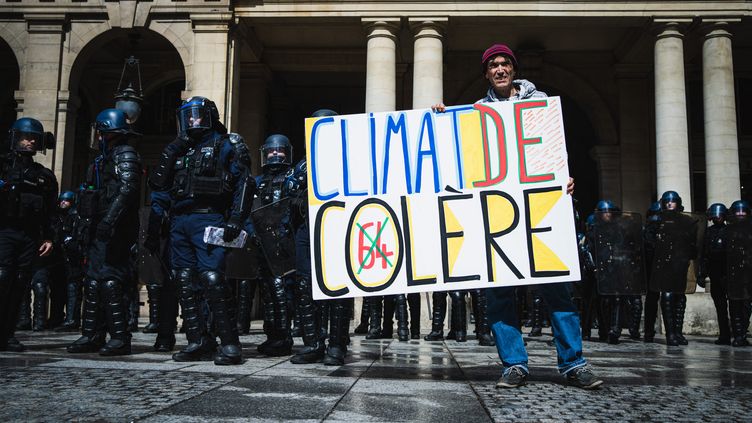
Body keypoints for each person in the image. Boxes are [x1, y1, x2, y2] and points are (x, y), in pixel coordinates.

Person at [432, 43, 600, 389]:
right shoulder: (477, 112)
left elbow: (553, 154)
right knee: (499, 294)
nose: (499, 69)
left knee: (558, 291)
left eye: (504, 63)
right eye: (493, 65)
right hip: (498, 215)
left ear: (514, 70)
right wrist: (441, 119)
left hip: (540, 211)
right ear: (487, 74)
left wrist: (562, 179)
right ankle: (514, 364)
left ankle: (573, 363)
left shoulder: (539, 106)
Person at [147, 96, 254, 365]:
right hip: (179, 220)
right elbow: (159, 186)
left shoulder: (226, 144)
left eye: (198, 115)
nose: (193, 121)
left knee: (212, 279)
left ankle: (229, 344)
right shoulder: (180, 149)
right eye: (188, 116)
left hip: (209, 218)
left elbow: (244, 182)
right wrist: (172, 149)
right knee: (183, 279)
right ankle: (198, 340)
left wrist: (237, 219)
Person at [66, 109, 141, 356]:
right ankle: (92, 334)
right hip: (97, 230)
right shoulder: (100, 160)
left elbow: (128, 190)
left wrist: (109, 222)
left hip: (116, 231)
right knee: (93, 282)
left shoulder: (125, 154)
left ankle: (120, 337)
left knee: (111, 282)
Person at [0, 117, 58, 351]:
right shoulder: (3, 167)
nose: (30, 142)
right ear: (15, 138)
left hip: (29, 236)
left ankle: (7, 334)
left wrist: (49, 237)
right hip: (4, 232)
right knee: (2, 279)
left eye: (34, 138)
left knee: (20, 284)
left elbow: (51, 211)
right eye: (25, 137)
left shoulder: (43, 176)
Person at [699, 203, 731, 344]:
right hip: (715, 273)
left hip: (729, 272)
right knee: (720, 306)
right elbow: (704, 254)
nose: (717, 217)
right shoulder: (709, 232)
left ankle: (739, 333)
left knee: (737, 306)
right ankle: (725, 334)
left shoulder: (730, 230)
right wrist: (702, 273)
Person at [724, 200, 751, 347]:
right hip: (733, 274)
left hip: (748, 273)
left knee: (746, 305)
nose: (740, 214)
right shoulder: (727, 231)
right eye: (737, 211)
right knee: (734, 304)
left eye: (743, 211)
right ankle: (737, 334)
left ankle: (742, 334)